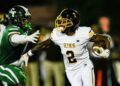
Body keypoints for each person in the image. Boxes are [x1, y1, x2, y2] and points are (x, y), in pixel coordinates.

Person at [22, 8, 110, 86]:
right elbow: (44, 43)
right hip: (71, 70)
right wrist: (28, 53)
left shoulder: (83, 33)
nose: (60, 24)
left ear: (73, 23)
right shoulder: (57, 35)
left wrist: (106, 50)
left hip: (84, 66)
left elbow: (105, 38)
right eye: (61, 21)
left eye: (64, 22)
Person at [0, 5, 40, 86]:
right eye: (24, 19)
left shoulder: (19, 29)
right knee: (18, 79)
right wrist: (26, 38)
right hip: (5, 66)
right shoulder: (11, 29)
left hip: (11, 64)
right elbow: (13, 38)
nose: (27, 22)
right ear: (16, 20)